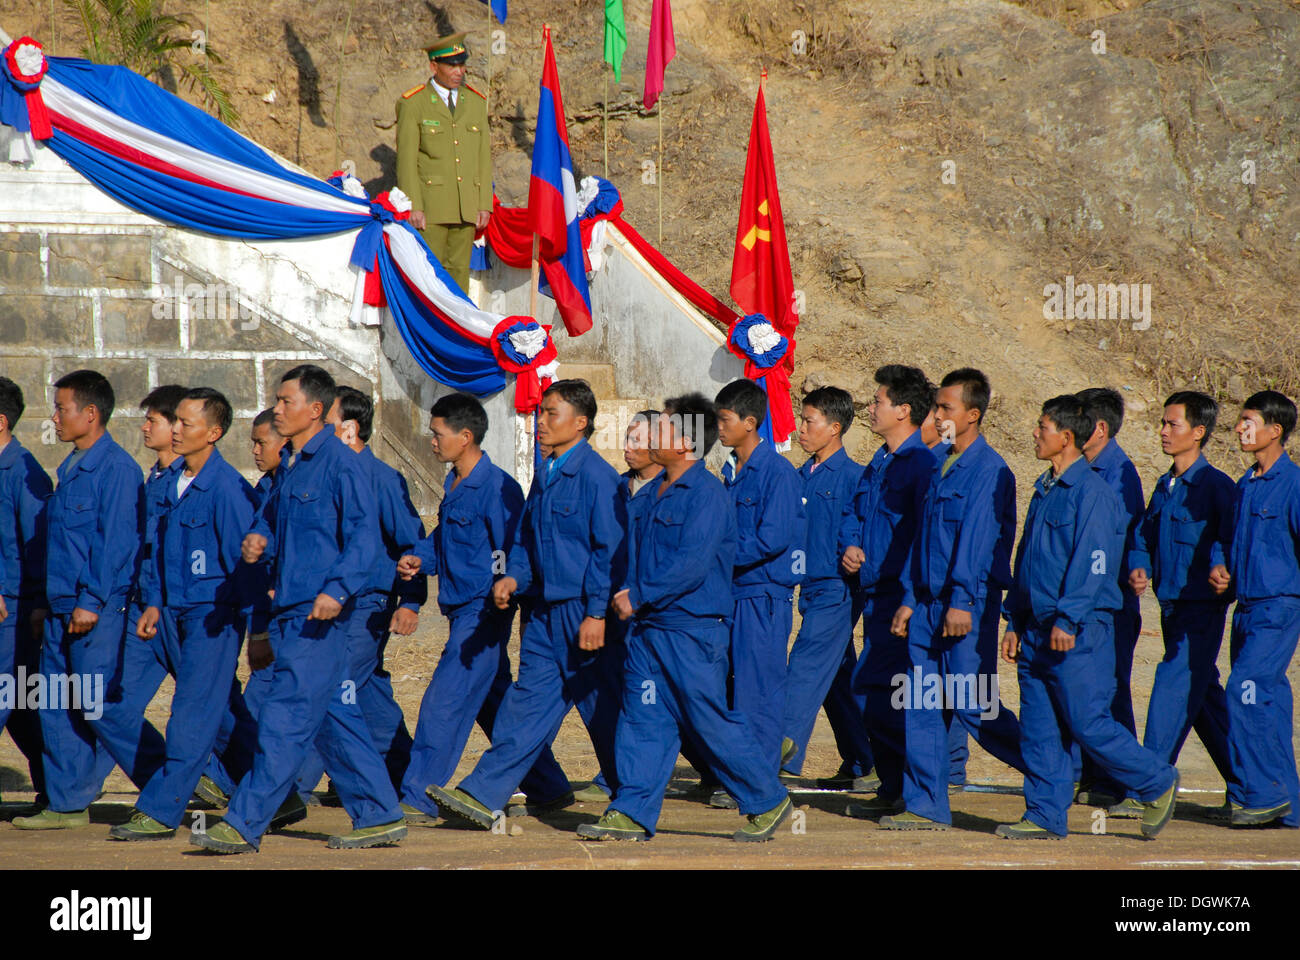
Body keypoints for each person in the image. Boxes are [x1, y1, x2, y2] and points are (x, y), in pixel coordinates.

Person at [190, 365, 405, 853]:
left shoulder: (341, 464)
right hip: (289, 613)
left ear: (315, 410)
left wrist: (337, 589)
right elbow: (274, 521)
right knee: (331, 716)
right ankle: (380, 812)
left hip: (320, 616)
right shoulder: (291, 465)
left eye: (286, 401)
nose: (278, 409)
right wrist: (258, 541)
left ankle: (244, 823)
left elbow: (364, 541)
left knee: (285, 719)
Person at [580, 392, 793, 841]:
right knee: (645, 716)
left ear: (685, 442)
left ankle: (768, 800)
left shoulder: (708, 495)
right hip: (650, 632)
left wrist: (638, 595)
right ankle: (633, 809)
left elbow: (691, 563)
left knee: (708, 719)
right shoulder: (648, 496)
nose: (651, 433)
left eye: (663, 427)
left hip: (691, 631)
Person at [428, 380, 625, 830]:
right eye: (540, 412)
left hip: (580, 613)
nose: (541, 421)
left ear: (580, 423)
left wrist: (596, 613)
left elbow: (608, 553)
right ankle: (482, 795)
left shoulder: (597, 478)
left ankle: (632, 797)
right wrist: (515, 576)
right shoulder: (547, 472)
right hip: (543, 613)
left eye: (552, 414)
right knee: (524, 706)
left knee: (602, 711)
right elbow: (526, 539)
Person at [998, 395, 1178, 840]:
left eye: (1043, 427)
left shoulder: (1095, 494)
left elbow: (1094, 561)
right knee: (1039, 729)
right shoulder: (1044, 488)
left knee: (1087, 723)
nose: (1035, 434)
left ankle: (1157, 780)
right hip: (1036, 629)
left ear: (1066, 437)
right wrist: (1014, 619)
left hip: (1077, 631)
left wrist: (1069, 618)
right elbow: (1029, 560)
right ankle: (1043, 815)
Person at [396, 392, 572, 823]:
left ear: (466, 436)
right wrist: (422, 558)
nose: (432, 442)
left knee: (445, 702)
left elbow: (512, 548)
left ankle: (416, 796)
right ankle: (548, 787)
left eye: (438, 434)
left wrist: (502, 588)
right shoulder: (456, 483)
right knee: (494, 703)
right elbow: (445, 541)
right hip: (460, 610)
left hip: (482, 613)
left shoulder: (497, 489)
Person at [110, 388, 258, 840]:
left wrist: (257, 630)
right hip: (170, 614)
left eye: (185, 424)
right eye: (173, 421)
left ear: (212, 434)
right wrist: (154, 601)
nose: (175, 430)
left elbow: (247, 565)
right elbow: (159, 554)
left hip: (211, 619)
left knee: (191, 716)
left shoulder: (229, 489)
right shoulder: (171, 483)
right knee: (219, 715)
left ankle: (160, 810)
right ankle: (273, 791)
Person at [882, 368, 1026, 830]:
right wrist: (908, 596)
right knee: (921, 705)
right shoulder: (938, 461)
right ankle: (925, 806)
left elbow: (977, 540)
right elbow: (921, 538)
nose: (937, 415)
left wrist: (962, 601)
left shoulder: (990, 470)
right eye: (936, 407)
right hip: (925, 604)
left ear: (973, 414)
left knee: (974, 705)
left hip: (965, 606)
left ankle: (1056, 771)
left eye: (946, 407)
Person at [14, 371, 146, 830]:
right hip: (57, 609)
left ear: (90, 414)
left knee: (96, 705)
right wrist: (44, 604)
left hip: (94, 610)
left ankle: (172, 778)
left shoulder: (117, 470)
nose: (55, 417)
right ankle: (67, 804)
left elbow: (115, 545)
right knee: (54, 702)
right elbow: (57, 545)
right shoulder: (71, 467)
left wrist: (90, 600)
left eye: (62, 408)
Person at [1108, 391, 1236, 819]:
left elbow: (1230, 541)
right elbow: (1143, 536)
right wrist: (1140, 567)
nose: (1163, 432)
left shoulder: (1217, 487)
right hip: (1171, 606)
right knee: (1202, 699)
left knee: (1172, 686)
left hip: (1201, 609)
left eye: (1172, 424)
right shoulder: (1166, 485)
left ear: (1198, 433)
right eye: (1162, 423)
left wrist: (1220, 566)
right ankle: (1255, 784)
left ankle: (1148, 784)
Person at [837, 365, 936, 818]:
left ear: (904, 410)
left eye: (878, 401)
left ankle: (912, 791)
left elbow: (925, 536)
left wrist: (913, 599)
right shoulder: (880, 458)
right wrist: (852, 543)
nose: (870, 408)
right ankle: (894, 784)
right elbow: (856, 511)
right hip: (874, 594)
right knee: (873, 695)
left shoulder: (923, 464)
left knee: (893, 696)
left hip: (901, 598)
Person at [325, 387, 423, 792]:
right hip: (330, 604)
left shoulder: (382, 479)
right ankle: (402, 769)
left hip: (369, 603)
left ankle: (291, 785)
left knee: (331, 686)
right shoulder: (323, 473)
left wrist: (412, 602)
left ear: (349, 428)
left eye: (324, 421)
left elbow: (412, 545)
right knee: (366, 693)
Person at [779, 387, 876, 789]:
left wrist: (858, 552)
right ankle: (863, 762)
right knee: (837, 678)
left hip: (837, 591)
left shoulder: (856, 478)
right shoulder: (801, 475)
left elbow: (868, 529)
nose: (801, 429)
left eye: (809, 421)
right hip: (809, 592)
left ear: (834, 428)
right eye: (802, 419)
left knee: (802, 670)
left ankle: (773, 761)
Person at [1213, 390, 1300, 827]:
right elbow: (1228, 540)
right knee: (1268, 701)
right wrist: (1220, 566)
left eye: (1248, 420)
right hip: (1245, 609)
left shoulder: (1294, 484)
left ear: (1275, 430)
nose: (1239, 428)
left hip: (1278, 608)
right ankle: (1290, 805)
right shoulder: (1246, 483)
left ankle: (1262, 794)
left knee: (1244, 690)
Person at [714, 378, 805, 788]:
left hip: (762, 596)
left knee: (758, 690)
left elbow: (772, 538)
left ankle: (761, 781)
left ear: (750, 423)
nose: (719, 427)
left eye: (725, 419)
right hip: (731, 594)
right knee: (727, 687)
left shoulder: (777, 473)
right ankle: (736, 771)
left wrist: (717, 554)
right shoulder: (732, 471)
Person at [1075, 386, 1145, 807]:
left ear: (1098, 428)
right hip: (1087, 601)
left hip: (1110, 603)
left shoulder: (1119, 473)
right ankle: (1097, 776)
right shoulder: (1087, 468)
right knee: (1089, 690)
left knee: (1112, 690)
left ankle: (1129, 782)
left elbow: (1131, 533)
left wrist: (1138, 568)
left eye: (1079, 420)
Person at [395, 31, 492, 294]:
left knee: (459, 274)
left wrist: (484, 203)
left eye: (462, 65)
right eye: (452, 66)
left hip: (466, 206)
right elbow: (407, 159)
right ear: (434, 66)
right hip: (431, 206)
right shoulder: (413, 103)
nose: (459, 71)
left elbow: (483, 156)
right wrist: (413, 205)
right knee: (428, 271)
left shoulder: (475, 102)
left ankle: (456, 330)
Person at [0, 378, 51, 810]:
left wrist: (33, 604)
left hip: (13, 609)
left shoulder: (24, 472)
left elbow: (38, 546)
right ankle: (58, 788)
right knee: (21, 708)